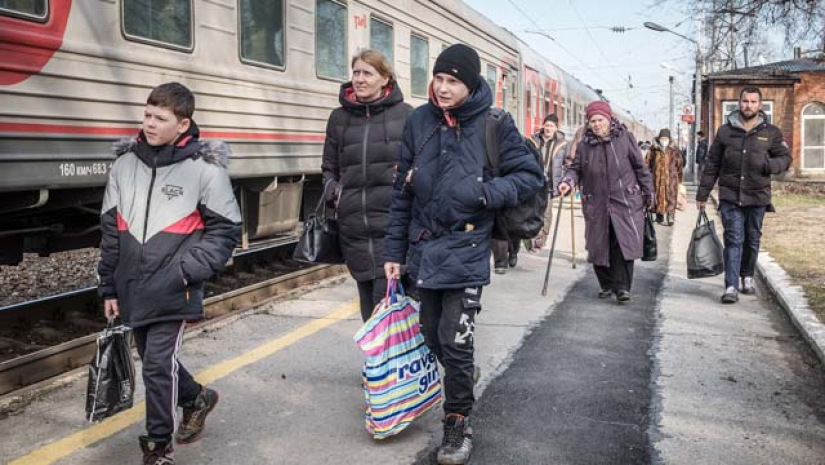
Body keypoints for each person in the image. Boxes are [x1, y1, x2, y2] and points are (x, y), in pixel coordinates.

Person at [383, 44, 543, 465]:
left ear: (470, 85)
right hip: (425, 248)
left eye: (452, 81)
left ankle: (457, 423)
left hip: (468, 247)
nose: (442, 88)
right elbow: (402, 193)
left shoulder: (494, 124)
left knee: (455, 341)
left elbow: (530, 176)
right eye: (438, 79)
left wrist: (486, 193)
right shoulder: (420, 121)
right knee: (431, 333)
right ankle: (462, 378)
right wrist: (393, 251)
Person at [98, 82, 242, 465]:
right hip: (132, 287)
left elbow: (227, 230)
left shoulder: (205, 170)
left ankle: (158, 447)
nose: (149, 123)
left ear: (182, 124)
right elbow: (111, 232)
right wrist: (108, 286)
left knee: (157, 365)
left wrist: (187, 270)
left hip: (175, 287)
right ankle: (197, 398)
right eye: (147, 115)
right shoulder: (124, 166)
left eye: (159, 118)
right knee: (154, 360)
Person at [321, 50, 413, 322]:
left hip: (391, 227)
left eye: (367, 73)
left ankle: (387, 352)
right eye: (356, 72)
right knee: (368, 310)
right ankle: (381, 351)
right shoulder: (339, 118)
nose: (359, 79)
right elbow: (329, 166)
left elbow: (418, 165)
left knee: (385, 309)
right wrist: (333, 190)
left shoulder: (406, 116)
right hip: (355, 229)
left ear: (385, 79)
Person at [696, 86, 791, 304]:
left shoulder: (771, 132)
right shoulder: (725, 131)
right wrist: (702, 194)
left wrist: (770, 165)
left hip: (758, 196)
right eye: (745, 101)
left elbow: (785, 158)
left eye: (753, 102)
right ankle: (731, 286)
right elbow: (712, 164)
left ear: (760, 105)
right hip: (730, 195)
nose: (748, 105)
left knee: (752, 239)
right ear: (740, 103)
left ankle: (747, 276)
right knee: (733, 239)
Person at [558, 101, 653, 304]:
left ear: (609, 120)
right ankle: (607, 284)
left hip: (625, 200)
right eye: (593, 121)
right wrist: (567, 182)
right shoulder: (584, 145)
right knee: (599, 244)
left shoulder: (625, 139)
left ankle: (623, 287)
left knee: (622, 243)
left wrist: (648, 192)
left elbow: (640, 167)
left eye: (600, 120)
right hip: (596, 202)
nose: (597, 124)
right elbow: (575, 169)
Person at [527, 113, 568, 251]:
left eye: (551, 126)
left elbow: (568, 163)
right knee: (533, 210)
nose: (548, 128)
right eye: (546, 125)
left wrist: (567, 180)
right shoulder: (533, 140)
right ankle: (533, 236)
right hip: (534, 181)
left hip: (550, 184)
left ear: (556, 128)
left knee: (546, 211)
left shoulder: (562, 144)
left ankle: (541, 238)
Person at [645, 128, 683, 226]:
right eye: (662, 138)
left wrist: (679, 179)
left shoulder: (674, 150)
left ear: (669, 139)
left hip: (671, 179)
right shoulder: (653, 150)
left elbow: (679, 165)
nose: (664, 141)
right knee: (658, 197)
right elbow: (646, 164)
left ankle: (671, 216)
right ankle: (659, 216)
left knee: (671, 197)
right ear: (659, 138)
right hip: (656, 179)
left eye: (666, 139)